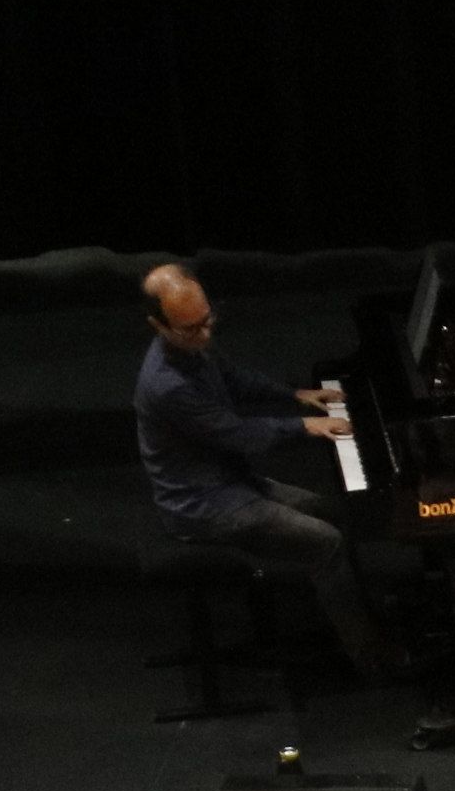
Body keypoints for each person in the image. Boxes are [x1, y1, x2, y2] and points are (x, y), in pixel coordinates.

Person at [133, 259, 381, 655]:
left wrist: (295, 396)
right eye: (192, 328)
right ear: (158, 327)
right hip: (205, 505)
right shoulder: (168, 385)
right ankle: (373, 657)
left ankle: (354, 612)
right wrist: (303, 426)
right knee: (327, 542)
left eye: (208, 319)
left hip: (230, 480)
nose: (205, 332)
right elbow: (237, 435)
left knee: (332, 511)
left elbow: (235, 379)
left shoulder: (191, 344)